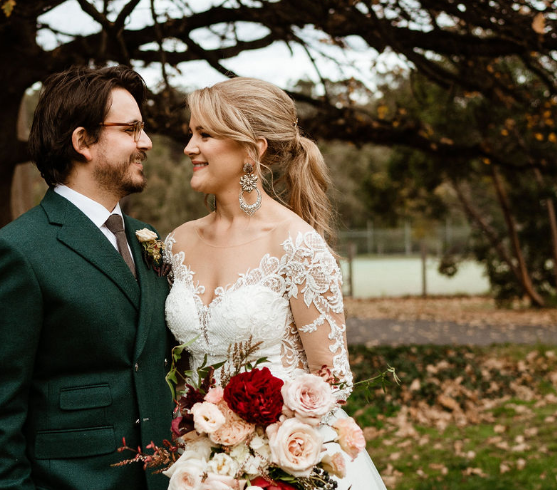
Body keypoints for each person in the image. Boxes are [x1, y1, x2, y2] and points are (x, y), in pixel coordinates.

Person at [163, 77, 388, 489]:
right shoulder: (176, 244)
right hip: (194, 464)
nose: (189, 147)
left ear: (252, 149)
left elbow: (332, 379)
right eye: (190, 133)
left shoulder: (297, 245)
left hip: (275, 467)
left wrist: (260, 456)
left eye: (204, 134)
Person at [0, 66, 173, 490]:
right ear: (83, 142)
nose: (145, 142)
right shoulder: (17, 253)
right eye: (131, 129)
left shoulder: (144, 239)